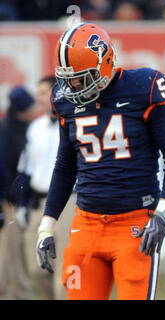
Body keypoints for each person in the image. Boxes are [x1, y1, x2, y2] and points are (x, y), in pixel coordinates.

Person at [35, 22, 165, 300]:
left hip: (135, 224)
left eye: (82, 77)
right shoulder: (64, 99)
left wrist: (163, 212)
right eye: (69, 78)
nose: (75, 86)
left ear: (105, 63)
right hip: (85, 225)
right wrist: (47, 225)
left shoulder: (144, 86)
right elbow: (65, 165)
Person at [14, 76, 76, 300]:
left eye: (42, 92)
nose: (37, 98)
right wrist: (21, 203)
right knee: (36, 265)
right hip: (39, 201)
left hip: (68, 201)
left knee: (65, 264)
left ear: (56, 93)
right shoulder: (36, 127)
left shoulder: (73, 120)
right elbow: (26, 169)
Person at [0, 86, 36, 300]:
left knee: (20, 255)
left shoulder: (27, 128)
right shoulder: (6, 131)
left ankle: (20, 293)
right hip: (9, 202)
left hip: (23, 201)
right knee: (8, 255)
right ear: (23, 108)